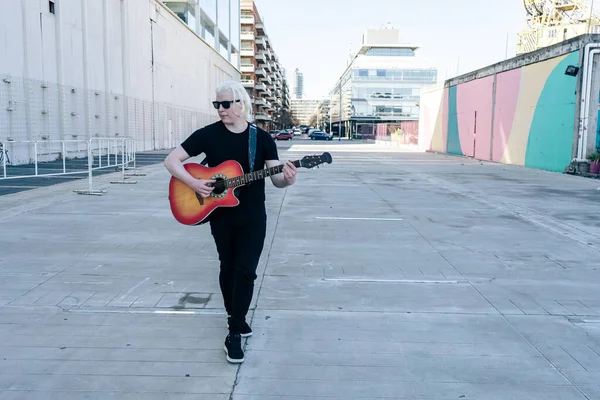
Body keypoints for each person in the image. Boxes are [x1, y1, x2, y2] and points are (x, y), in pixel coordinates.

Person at [163, 80, 297, 364]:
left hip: (252, 215)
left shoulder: (261, 139)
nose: (220, 110)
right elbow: (172, 161)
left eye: (225, 104)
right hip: (220, 214)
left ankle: (235, 329)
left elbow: (276, 180)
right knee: (228, 266)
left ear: (241, 104)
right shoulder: (207, 135)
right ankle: (234, 318)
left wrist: (287, 178)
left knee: (246, 270)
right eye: (217, 104)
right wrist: (194, 183)